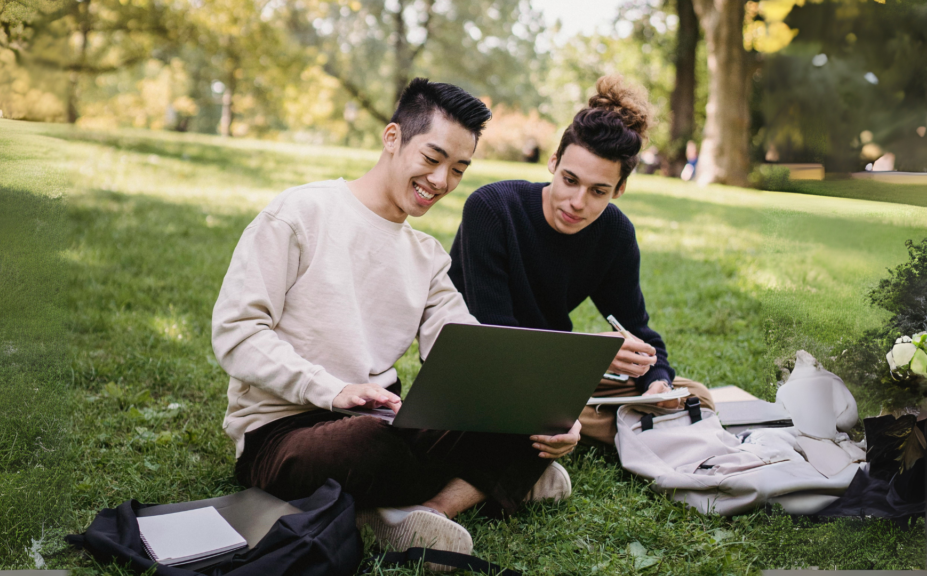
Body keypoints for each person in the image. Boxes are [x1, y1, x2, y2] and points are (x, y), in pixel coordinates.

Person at [212, 78, 580, 557]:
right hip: (284, 431)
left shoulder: (426, 256)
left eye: (458, 169)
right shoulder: (299, 213)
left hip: (385, 416)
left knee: (514, 417)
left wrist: (546, 411)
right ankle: (488, 479)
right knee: (370, 443)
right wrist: (333, 390)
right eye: (432, 159)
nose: (441, 181)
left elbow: (468, 349)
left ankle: (425, 512)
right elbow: (237, 334)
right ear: (392, 138)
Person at [448, 76, 714, 445]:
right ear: (553, 163)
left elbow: (637, 332)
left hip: (552, 374)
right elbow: (498, 342)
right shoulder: (492, 210)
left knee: (693, 395)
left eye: (598, 191)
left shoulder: (615, 235)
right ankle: (595, 423)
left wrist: (656, 382)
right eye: (570, 180)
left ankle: (573, 419)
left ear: (619, 190)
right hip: (482, 370)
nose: (577, 201)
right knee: (512, 402)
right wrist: (593, 354)